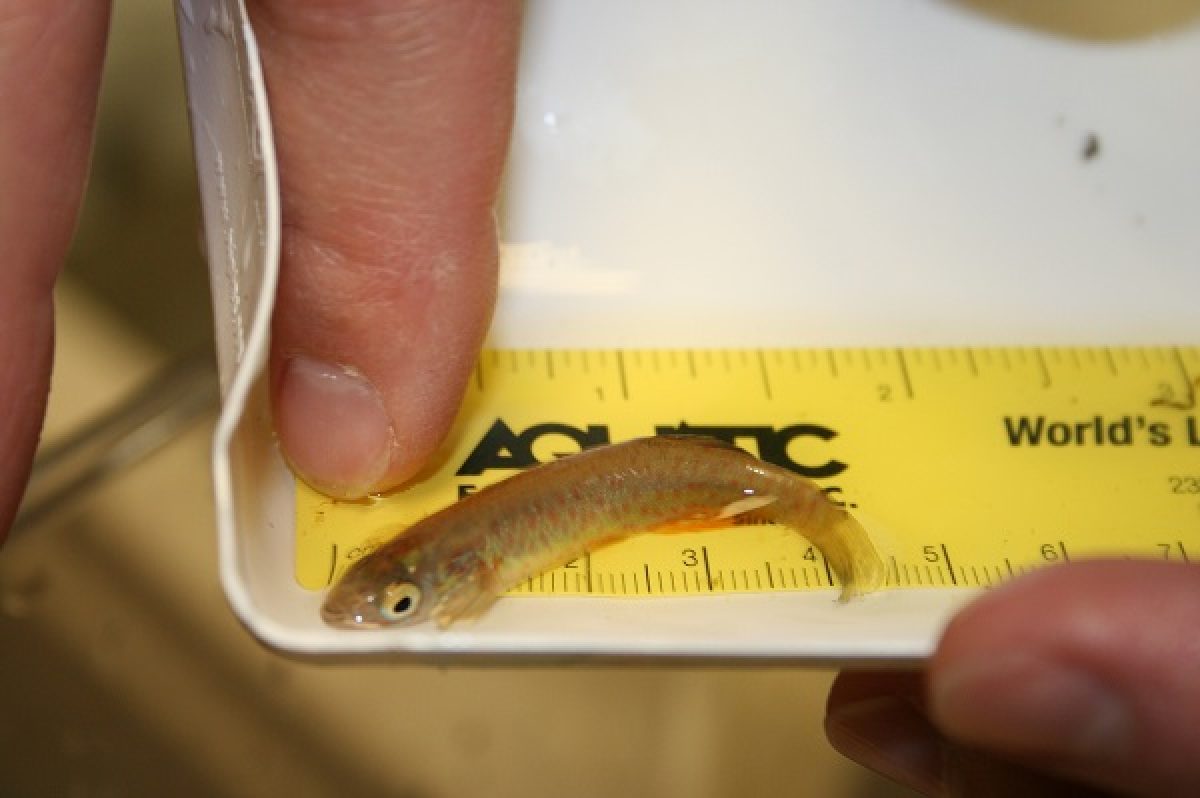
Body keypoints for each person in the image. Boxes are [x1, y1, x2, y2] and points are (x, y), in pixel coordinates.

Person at [2, 3, 1196, 794]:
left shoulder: (480, 555)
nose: (391, 605)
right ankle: (797, 508)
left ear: (461, 576)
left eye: (406, 597)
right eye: (401, 595)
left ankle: (809, 511)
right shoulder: (458, 556)